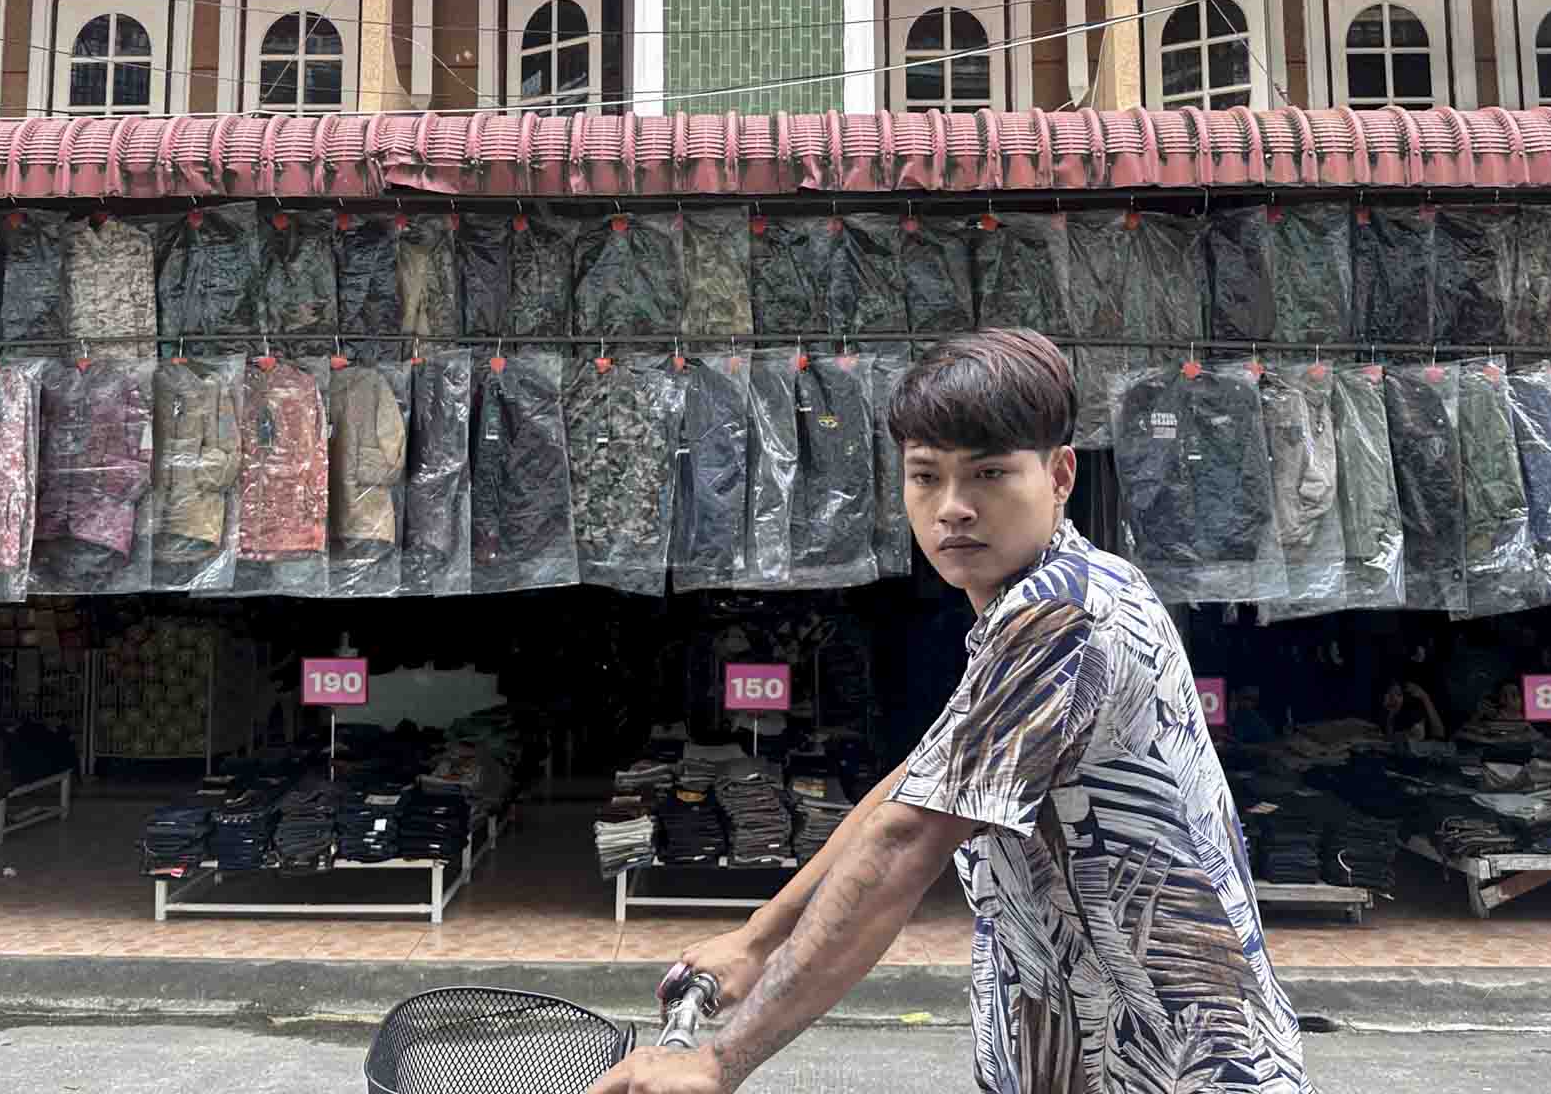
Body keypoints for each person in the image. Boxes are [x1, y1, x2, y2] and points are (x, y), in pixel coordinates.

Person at [589, 330, 1310, 1094]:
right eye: (925, 477)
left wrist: (715, 1062)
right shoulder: (1051, 595)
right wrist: (757, 938)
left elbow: (905, 841)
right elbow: (916, 784)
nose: (953, 509)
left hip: (1164, 1068)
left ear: (1061, 474)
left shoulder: (1060, 616)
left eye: (990, 474)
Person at [1380, 678, 1448, 740]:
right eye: (1389, 693)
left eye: (1398, 694)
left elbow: (1440, 734)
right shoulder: (1378, 719)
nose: (1394, 698)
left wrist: (1424, 697)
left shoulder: (1409, 716)